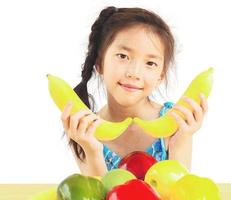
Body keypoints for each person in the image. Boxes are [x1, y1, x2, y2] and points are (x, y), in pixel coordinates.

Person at [61, 6, 208, 177]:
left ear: (161, 75)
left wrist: (181, 140)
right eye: (123, 56)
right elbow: (97, 194)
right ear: (99, 62)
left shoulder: (174, 122)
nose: (134, 73)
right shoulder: (84, 129)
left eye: (150, 63)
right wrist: (91, 150)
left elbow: (179, 192)